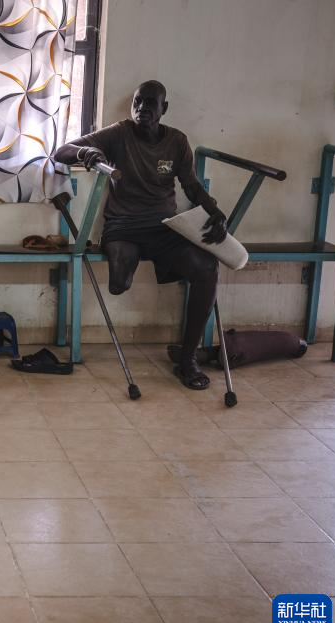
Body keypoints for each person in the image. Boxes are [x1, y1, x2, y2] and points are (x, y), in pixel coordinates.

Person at [54, 80, 228, 390]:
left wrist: (213, 209)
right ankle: (137, 270)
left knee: (206, 268)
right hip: (123, 226)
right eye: (137, 102)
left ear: (164, 108)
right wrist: (87, 152)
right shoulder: (119, 133)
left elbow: (190, 185)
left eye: (150, 103)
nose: (142, 109)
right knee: (119, 284)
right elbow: (61, 151)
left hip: (165, 227)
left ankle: (187, 358)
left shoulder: (176, 141)